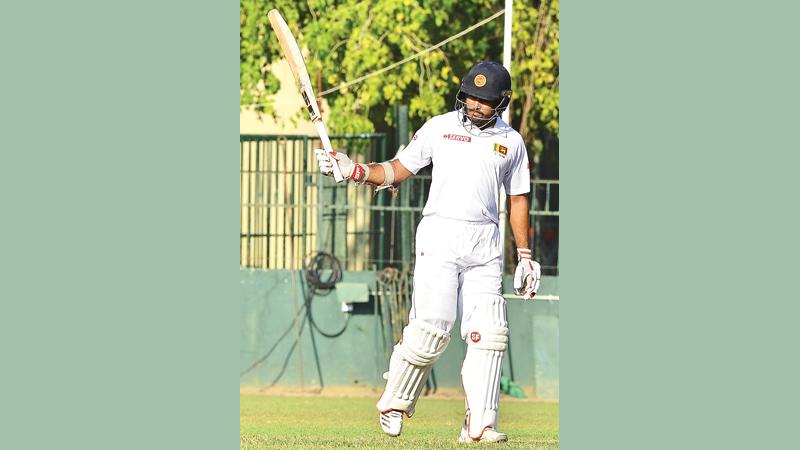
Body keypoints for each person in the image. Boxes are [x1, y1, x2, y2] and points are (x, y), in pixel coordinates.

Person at [315, 60, 541, 443]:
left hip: (484, 241)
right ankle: (394, 403)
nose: (474, 104)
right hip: (439, 235)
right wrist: (353, 169)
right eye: (470, 96)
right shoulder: (440, 128)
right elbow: (397, 170)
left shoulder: (512, 142)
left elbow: (518, 199)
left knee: (490, 332)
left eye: (484, 100)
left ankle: (479, 424)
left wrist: (524, 254)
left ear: (500, 103)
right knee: (431, 330)